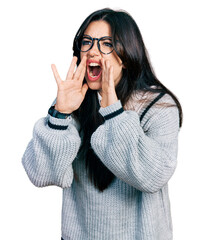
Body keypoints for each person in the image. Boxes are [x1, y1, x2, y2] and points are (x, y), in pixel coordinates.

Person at [22, 8, 182, 240]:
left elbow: (152, 177)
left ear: (127, 55)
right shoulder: (74, 99)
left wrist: (114, 113)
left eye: (106, 43)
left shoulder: (159, 106)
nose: (93, 51)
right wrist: (60, 113)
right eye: (87, 42)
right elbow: (41, 173)